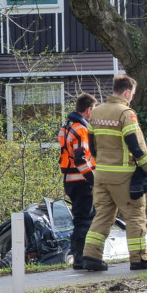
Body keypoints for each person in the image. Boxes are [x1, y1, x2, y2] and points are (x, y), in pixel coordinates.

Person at [81, 75, 147, 271]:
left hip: (102, 174)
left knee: (103, 216)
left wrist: (102, 163)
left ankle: (91, 257)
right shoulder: (126, 113)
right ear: (127, 92)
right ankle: (139, 258)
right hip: (124, 176)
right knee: (135, 216)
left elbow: (92, 145)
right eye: (132, 94)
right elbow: (136, 145)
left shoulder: (96, 112)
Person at [58, 93, 97, 270]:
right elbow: (81, 159)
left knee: (79, 218)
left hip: (70, 180)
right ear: (89, 110)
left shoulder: (67, 127)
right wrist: (93, 179)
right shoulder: (81, 130)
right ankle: (81, 257)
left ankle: (78, 255)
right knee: (85, 219)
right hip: (82, 181)